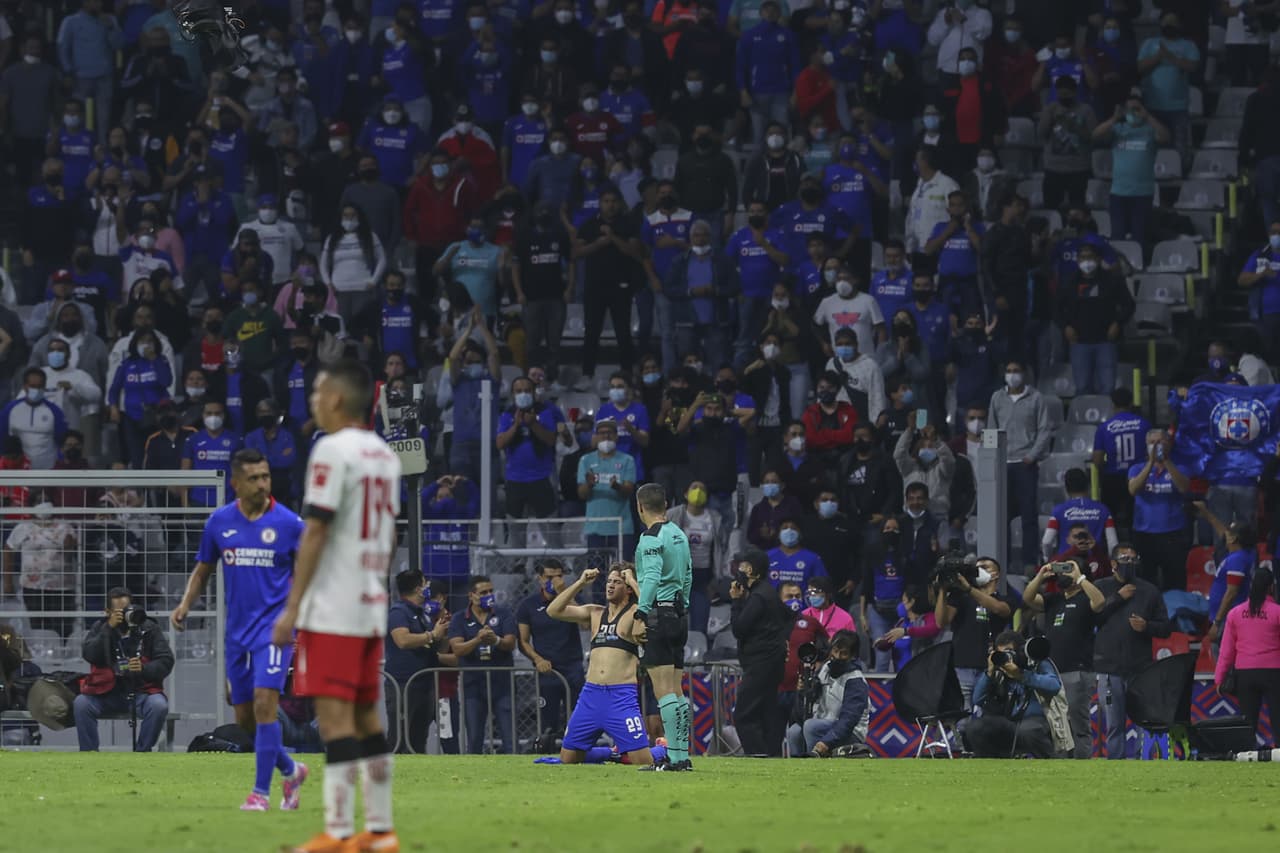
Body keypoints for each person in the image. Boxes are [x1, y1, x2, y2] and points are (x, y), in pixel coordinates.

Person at [270, 360, 402, 853]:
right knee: (368, 718)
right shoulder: (384, 455)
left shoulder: (331, 448)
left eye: (317, 392)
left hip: (334, 603)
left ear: (338, 399)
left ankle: (340, 830)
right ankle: (381, 831)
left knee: (334, 720)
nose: (312, 401)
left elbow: (316, 530)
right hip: (370, 600)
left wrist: (292, 607)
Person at [172, 449, 307, 810]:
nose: (263, 484)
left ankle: (260, 793)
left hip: (274, 631)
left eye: (266, 476)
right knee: (245, 717)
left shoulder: (290, 524)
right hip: (237, 634)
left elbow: (308, 575)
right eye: (254, 478)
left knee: (265, 703)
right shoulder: (219, 522)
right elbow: (203, 569)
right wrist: (185, 605)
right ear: (236, 483)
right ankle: (290, 769)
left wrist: (294, 615)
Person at [547, 563, 654, 766]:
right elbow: (553, 611)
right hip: (591, 694)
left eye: (617, 582)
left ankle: (662, 750)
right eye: (609, 581)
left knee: (642, 760)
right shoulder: (595, 612)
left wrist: (634, 581)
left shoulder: (635, 613)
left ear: (628, 589)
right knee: (568, 759)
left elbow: (652, 615)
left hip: (620, 696)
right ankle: (612, 754)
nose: (610, 585)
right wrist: (580, 583)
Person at [633, 482, 695, 771]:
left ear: (640, 507)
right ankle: (681, 756)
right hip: (679, 615)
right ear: (666, 505)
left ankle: (673, 756)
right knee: (676, 690)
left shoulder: (651, 537)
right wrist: (684, 604)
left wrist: (642, 613)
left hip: (659, 613)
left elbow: (652, 576)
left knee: (663, 691)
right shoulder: (678, 534)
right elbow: (688, 574)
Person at [1093, 543, 1171, 760]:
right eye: (1125, 559)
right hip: (1109, 666)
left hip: (1140, 668)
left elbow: (1166, 628)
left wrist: (1147, 626)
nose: (1130, 563)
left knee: (1143, 720)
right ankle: (1115, 761)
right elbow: (1092, 618)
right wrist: (1118, 598)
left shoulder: (1149, 591)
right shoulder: (1100, 587)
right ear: (1113, 564)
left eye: (1133, 559)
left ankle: (1141, 760)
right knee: (1113, 723)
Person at [1022, 559, 1106, 759]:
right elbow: (1028, 598)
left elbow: (1100, 602)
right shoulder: (1054, 600)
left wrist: (1080, 578)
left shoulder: (1086, 598)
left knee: (1077, 724)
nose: (1063, 574)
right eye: (1062, 570)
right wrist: (1040, 576)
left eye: (1068, 569)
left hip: (1077, 670)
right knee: (1057, 724)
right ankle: (1060, 766)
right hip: (1052, 672)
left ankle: (1081, 766)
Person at [74, 586, 174, 752]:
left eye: (128, 609)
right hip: (106, 692)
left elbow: (166, 660)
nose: (125, 615)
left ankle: (143, 752)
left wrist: (144, 668)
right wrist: (108, 629)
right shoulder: (100, 627)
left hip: (141, 691)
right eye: (119, 612)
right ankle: (89, 753)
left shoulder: (148, 627)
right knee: (81, 704)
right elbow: (89, 654)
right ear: (108, 612)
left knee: (158, 705)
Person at [988, 360, 1053, 572]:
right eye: (1009, 371)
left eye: (1016, 370)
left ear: (1024, 373)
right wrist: (993, 459)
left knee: (1029, 516)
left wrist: (1032, 456)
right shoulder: (997, 397)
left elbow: (1045, 429)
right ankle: (1002, 563)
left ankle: (1029, 563)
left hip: (1026, 464)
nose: (1012, 374)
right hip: (1003, 464)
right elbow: (991, 429)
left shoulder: (1036, 397)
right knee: (1002, 518)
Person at [384, 570, 454, 755]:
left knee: (418, 737)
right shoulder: (398, 612)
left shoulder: (423, 613)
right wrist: (432, 634)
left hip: (425, 682)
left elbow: (439, 650)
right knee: (399, 736)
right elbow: (402, 640)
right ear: (417, 589)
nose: (428, 587)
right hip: (403, 684)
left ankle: (415, 770)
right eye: (425, 583)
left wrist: (443, 630)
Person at [729, 547, 791, 757]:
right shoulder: (768, 592)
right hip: (772, 661)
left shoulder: (758, 597)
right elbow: (789, 616)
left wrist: (736, 602)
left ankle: (757, 754)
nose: (739, 569)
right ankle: (771, 755)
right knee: (766, 713)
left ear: (752, 570)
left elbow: (739, 629)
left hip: (760, 662)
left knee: (744, 714)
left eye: (743, 566)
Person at [516, 558, 586, 742]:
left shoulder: (573, 599)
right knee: (548, 723)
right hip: (547, 669)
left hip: (573, 667)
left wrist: (564, 593)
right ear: (540, 578)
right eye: (549, 577)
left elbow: (585, 623)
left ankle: (580, 750)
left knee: (579, 718)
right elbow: (523, 640)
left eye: (559, 576)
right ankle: (547, 747)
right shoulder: (528, 605)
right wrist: (537, 659)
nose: (555, 581)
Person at [964, 629, 1063, 759]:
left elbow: (1054, 686)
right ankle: (992, 765)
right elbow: (978, 699)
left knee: (1028, 730)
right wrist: (989, 672)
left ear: (1021, 650)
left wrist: (1022, 675)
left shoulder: (1036, 660)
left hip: (1037, 721)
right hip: (1009, 722)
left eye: (1009, 652)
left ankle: (1051, 762)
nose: (1006, 658)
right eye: (1001, 653)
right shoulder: (999, 669)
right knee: (976, 728)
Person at [935, 555, 1018, 708]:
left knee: (986, 714)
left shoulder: (1005, 599)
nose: (978, 570)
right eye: (976, 567)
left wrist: (969, 588)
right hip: (963, 666)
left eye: (984, 567)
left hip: (990, 668)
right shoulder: (961, 597)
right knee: (963, 717)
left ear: (996, 574)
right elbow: (941, 622)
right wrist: (942, 589)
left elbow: (999, 609)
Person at [449, 575, 518, 754]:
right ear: (471, 595)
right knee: (474, 738)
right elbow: (457, 649)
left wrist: (495, 640)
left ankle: (515, 769)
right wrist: (477, 640)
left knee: (510, 737)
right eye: (483, 592)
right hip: (473, 685)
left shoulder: (503, 613)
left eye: (490, 591)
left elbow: (511, 643)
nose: (489, 596)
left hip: (502, 684)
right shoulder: (459, 618)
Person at [1215, 568, 1280, 742]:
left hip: (1245, 675)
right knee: (1278, 721)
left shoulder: (1235, 613)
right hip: (1274, 674)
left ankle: (1247, 753)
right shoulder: (1277, 612)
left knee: (1248, 724)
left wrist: (1219, 678)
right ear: (1271, 587)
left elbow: (1226, 651)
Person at [785, 629, 869, 758]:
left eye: (843, 653)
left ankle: (815, 763)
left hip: (851, 733)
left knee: (811, 726)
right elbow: (803, 712)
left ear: (853, 656)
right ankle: (797, 767)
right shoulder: (825, 668)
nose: (837, 656)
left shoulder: (855, 681)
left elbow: (848, 721)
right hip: (823, 722)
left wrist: (826, 742)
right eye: (835, 651)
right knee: (794, 731)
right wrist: (803, 692)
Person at [2, 501, 77, 638]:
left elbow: (75, 552)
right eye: (39, 501)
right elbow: (8, 549)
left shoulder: (65, 527)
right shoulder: (23, 527)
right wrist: (7, 582)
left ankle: (62, 650)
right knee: (38, 628)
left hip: (62, 587)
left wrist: (70, 545)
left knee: (63, 628)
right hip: (33, 587)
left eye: (46, 500)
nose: (44, 505)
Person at [1127, 429, 1191, 590]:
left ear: (1168, 443)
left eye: (1160, 441)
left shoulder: (1181, 467)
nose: (1156, 446)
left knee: (1175, 579)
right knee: (1145, 579)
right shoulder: (1136, 468)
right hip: (1144, 532)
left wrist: (1166, 461)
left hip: (1173, 532)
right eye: (1152, 442)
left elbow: (1184, 488)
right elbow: (1133, 490)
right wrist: (1150, 463)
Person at [496, 376, 560, 519]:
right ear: (513, 394)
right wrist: (516, 425)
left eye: (527, 390)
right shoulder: (507, 415)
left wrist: (533, 424)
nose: (523, 394)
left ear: (533, 392)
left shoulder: (545, 412)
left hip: (542, 477)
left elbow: (551, 440)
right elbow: (500, 443)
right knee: (515, 528)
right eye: (519, 391)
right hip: (515, 479)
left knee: (549, 527)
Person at [666, 483, 724, 637]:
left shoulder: (715, 518)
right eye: (694, 488)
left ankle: (698, 651)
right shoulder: (673, 515)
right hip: (678, 577)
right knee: (675, 627)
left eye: (702, 489)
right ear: (685, 494)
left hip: (703, 577)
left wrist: (716, 579)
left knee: (699, 626)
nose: (698, 492)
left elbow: (720, 549)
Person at [1195, 503, 1256, 645]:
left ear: (1234, 539)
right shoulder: (1245, 552)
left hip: (1228, 619)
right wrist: (1206, 514)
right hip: (1227, 617)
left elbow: (1231, 592)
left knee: (1223, 655)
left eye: (1229, 532)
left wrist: (1217, 622)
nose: (1225, 533)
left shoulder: (1237, 559)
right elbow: (1222, 531)